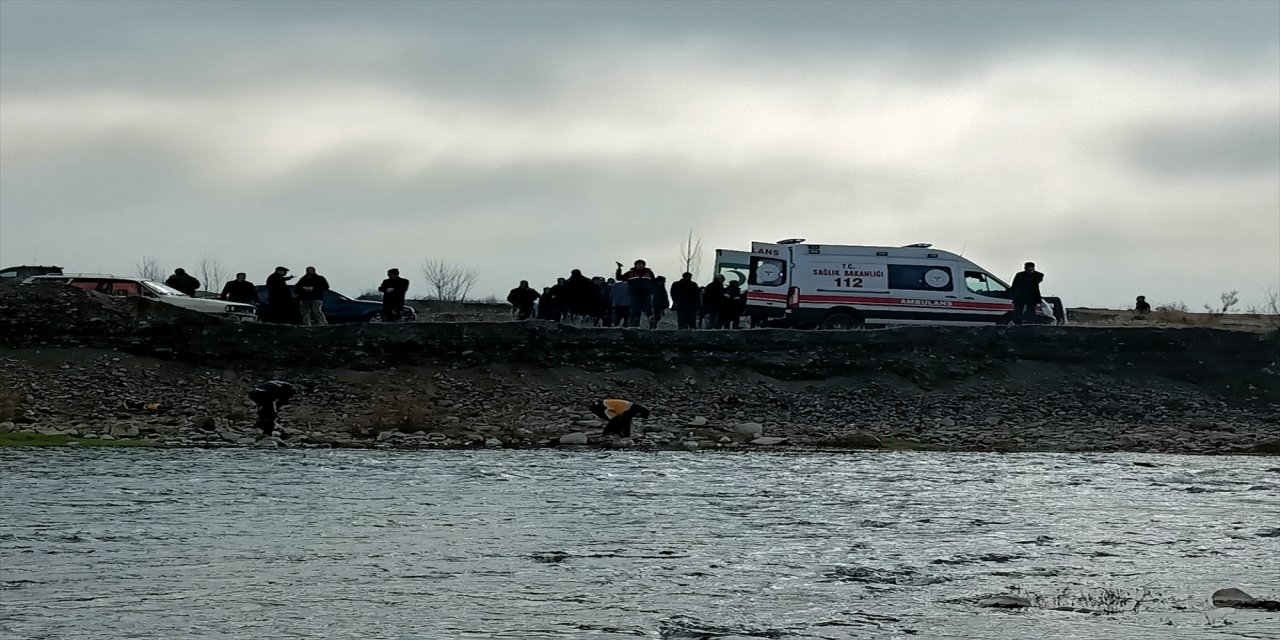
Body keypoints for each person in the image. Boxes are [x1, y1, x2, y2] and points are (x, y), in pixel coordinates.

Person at [615, 259, 656, 327]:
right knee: (635, 310)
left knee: (648, 309)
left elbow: (654, 282)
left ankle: (651, 323)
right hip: (634, 294)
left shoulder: (649, 273)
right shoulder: (630, 273)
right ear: (635, 265)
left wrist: (653, 290)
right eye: (638, 264)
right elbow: (619, 278)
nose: (640, 265)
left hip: (646, 294)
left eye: (641, 264)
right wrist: (619, 269)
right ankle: (634, 325)